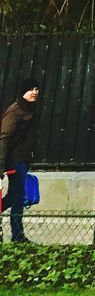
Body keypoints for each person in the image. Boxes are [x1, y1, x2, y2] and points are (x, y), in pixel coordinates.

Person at [0, 78, 40, 244]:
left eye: (37, 89)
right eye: (31, 89)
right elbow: (4, 137)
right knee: (18, 197)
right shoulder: (15, 112)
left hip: (23, 159)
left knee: (16, 196)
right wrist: (1, 163)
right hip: (14, 160)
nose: (35, 92)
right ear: (23, 92)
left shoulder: (29, 109)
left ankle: (18, 234)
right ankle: (17, 235)